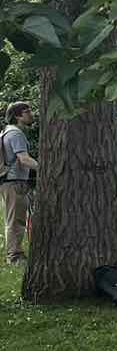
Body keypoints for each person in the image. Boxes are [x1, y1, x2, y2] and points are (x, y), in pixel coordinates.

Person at [2, 101, 38, 265]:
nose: (31, 114)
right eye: (26, 111)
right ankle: (15, 257)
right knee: (16, 220)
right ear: (17, 116)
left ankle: (14, 254)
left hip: (9, 181)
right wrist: (46, 170)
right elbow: (24, 159)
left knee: (13, 219)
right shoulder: (15, 133)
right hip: (15, 182)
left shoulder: (6, 132)